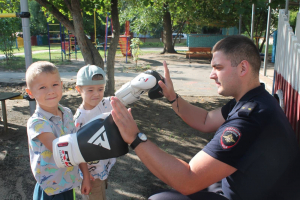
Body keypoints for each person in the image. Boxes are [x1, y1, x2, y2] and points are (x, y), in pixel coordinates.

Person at [110, 35, 300, 200]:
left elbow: (188, 180)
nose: (211, 75)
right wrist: (171, 97)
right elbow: (206, 120)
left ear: (243, 68)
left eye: (218, 67)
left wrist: (135, 138)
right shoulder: (254, 99)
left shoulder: (249, 118)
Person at [26, 61, 91, 200]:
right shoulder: (37, 122)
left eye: (55, 85)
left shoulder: (67, 113)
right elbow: (62, 149)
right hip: (50, 190)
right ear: (30, 93)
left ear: (61, 85)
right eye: (42, 87)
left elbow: (76, 146)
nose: (50, 91)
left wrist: (85, 175)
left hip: (68, 183)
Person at [74, 64, 116, 200]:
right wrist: (86, 176)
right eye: (90, 90)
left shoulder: (104, 104)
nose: (97, 94)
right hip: (91, 174)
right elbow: (78, 151)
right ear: (78, 89)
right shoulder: (80, 119)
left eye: (100, 89)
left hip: (103, 166)